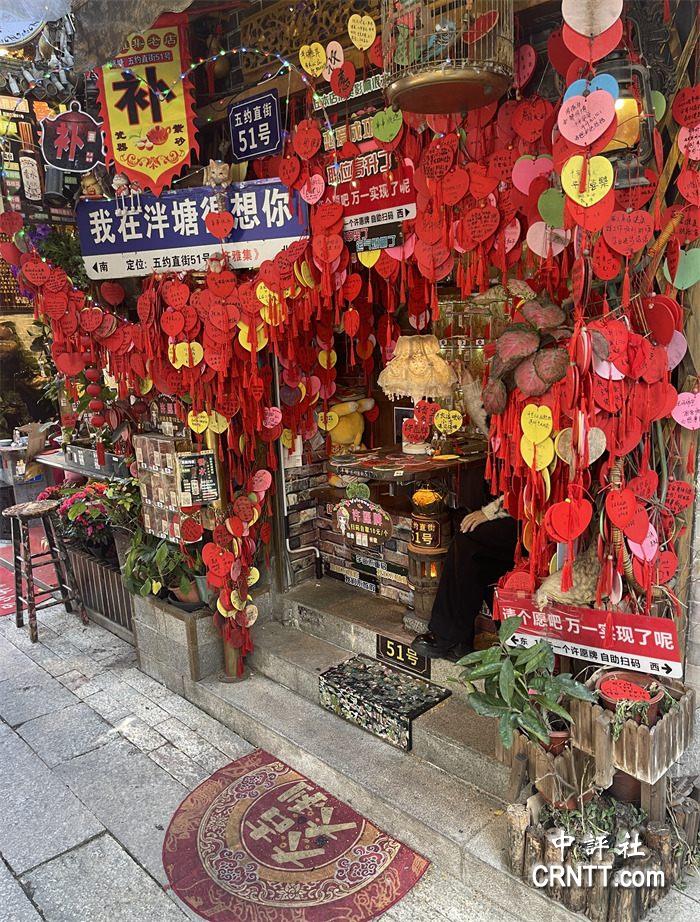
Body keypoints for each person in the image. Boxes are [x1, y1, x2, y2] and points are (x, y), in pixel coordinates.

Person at [412, 368, 517, 660]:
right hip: (506, 515)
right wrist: (469, 384)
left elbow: (532, 489)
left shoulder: (536, 428)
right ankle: (457, 640)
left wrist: (490, 513)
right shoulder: (505, 427)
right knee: (467, 544)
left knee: (469, 542)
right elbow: (486, 421)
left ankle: (448, 637)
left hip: (528, 522)